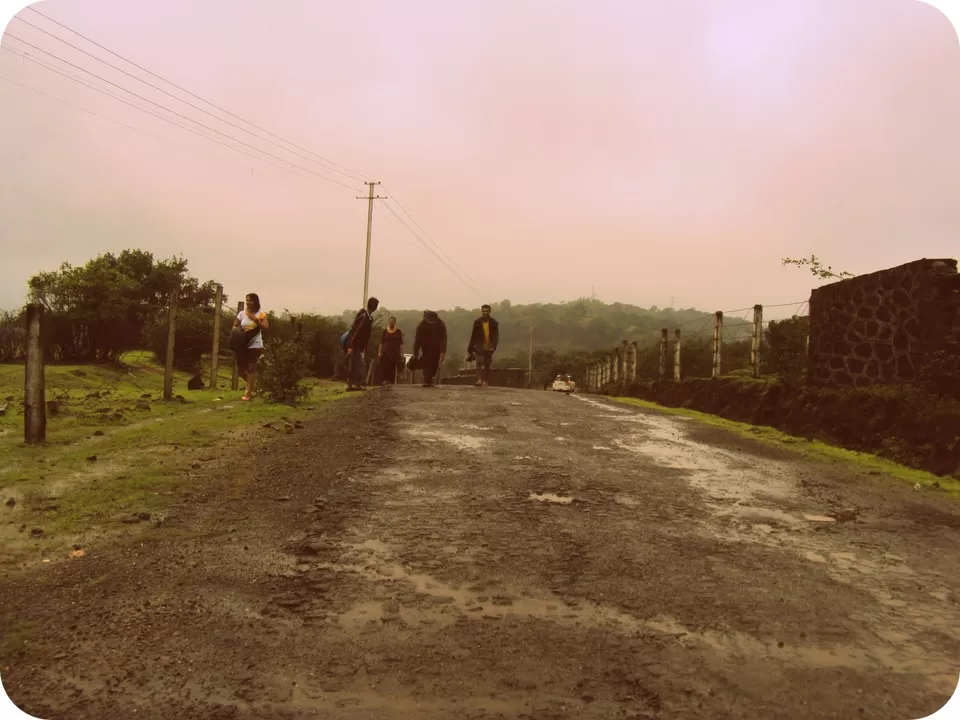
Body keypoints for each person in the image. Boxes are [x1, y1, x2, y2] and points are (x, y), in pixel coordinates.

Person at [232, 293, 269, 401]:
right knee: (240, 370)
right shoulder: (242, 313)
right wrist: (237, 333)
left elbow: (266, 327)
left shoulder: (261, 314)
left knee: (251, 368)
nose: (248, 302)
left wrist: (256, 320)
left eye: (250, 300)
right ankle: (254, 384)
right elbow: (235, 325)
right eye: (247, 300)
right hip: (242, 343)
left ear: (255, 302)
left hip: (255, 344)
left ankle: (247, 394)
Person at [346, 296, 379, 391]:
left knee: (354, 365)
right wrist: (350, 346)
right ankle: (356, 384)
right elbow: (355, 331)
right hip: (356, 345)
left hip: (359, 346)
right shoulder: (364, 317)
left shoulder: (368, 317)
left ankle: (351, 385)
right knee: (359, 365)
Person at [467, 303, 499, 387]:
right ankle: (479, 380)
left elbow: (496, 336)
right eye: (483, 311)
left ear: (489, 312)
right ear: (481, 311)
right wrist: (470, 348)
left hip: (489, 347)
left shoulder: (494, 323)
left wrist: (493, 347)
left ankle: (485, 381)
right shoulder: (477, 322)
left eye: (486, 311)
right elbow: (473, 335)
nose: (485, 313)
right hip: (479, 346)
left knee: (487, 364)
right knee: (479, 363)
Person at [413, 310, 447, 388]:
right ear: (427, 319)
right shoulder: (422, 325)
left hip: (437, 346)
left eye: (433, 321)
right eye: (429, 321)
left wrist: (443, 352)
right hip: (425, 346)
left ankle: (430, 377)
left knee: (434, 363)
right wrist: (416, 354)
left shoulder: (440, 324)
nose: (431, 323)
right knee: (426, 362)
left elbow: (443, 339)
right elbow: (417, 340)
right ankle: (426, 380)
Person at [377, 316, 405, 385]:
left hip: (395, 352)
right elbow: (382, 342)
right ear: (388, 322)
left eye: (392, 321)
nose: (391, 322)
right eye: (390, 321)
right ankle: (385, 381)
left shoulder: (398, 332)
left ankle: (390, 382)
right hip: (386, 352)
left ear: (395, 323)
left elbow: (401, 343)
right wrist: (380, 352)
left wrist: (402, 352)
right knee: (385, 367)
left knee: (392, 368)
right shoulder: (385, 331)